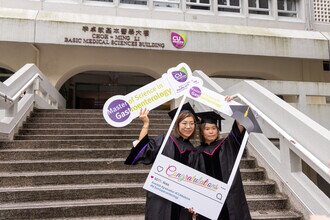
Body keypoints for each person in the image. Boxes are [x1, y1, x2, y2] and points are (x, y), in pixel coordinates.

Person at [124, 102, 199, 220]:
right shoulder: (165, 140)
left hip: (181, 198)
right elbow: (144, 149)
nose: (188, 127)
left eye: (191, 123)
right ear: (177, 124)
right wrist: (145, 124)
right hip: (160, 194)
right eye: (184, 123)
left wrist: (194, 201)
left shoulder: (193, 151)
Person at [192, 96, 252, 220]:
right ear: (202, 132)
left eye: (214, 128)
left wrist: (233, 105)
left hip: (230, 197)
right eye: (207, 129)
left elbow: (240, 123)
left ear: (218, 129)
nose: (211, 131)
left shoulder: (228, 144)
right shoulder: (195, 152)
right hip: (207, 200)